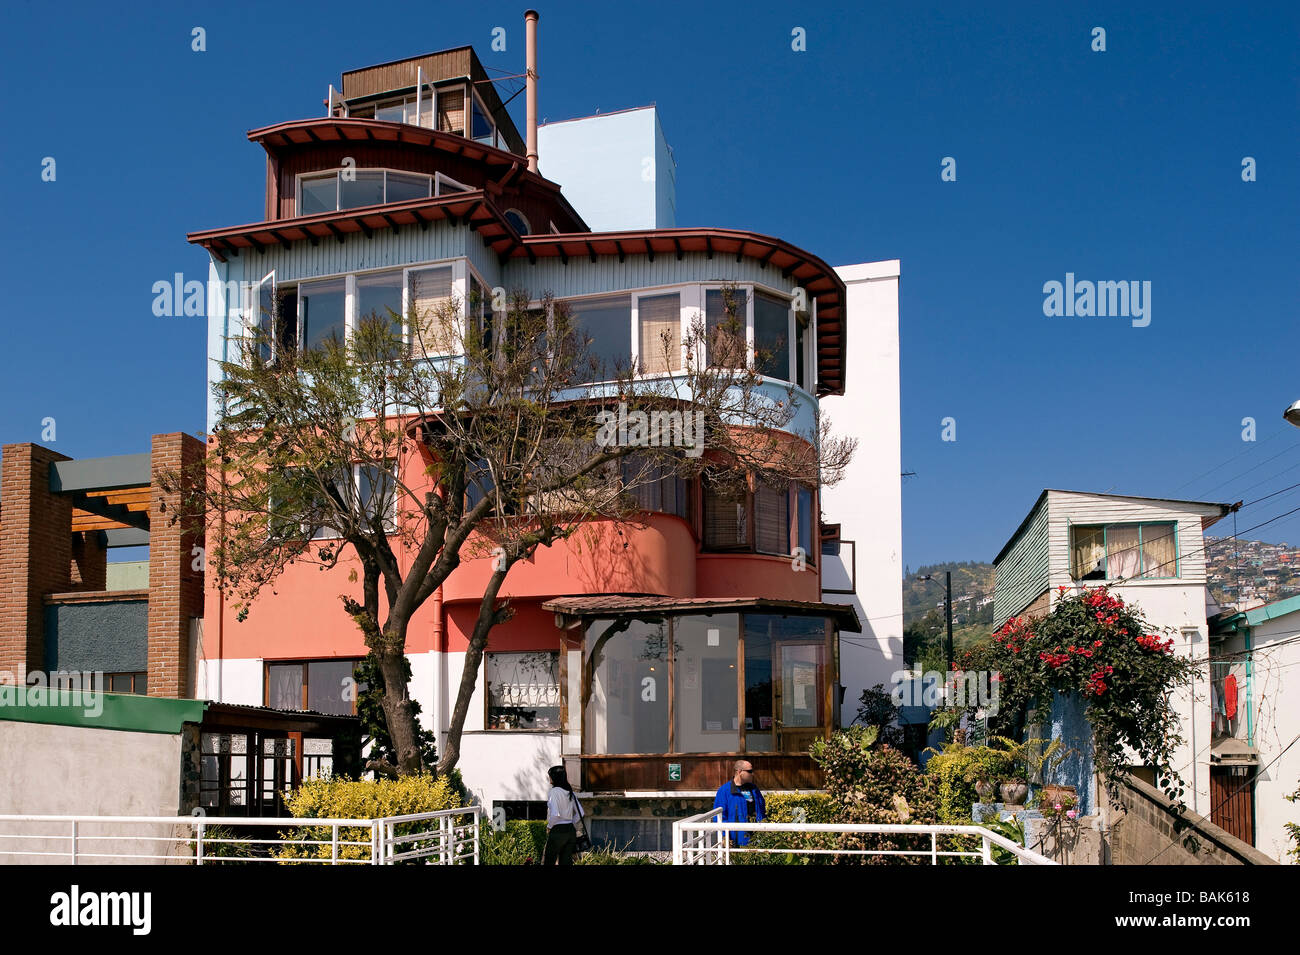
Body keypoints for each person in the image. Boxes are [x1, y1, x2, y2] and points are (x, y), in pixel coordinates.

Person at [713, 759, 765, 846]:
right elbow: (720, 817)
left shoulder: (754, 789)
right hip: (736, 842)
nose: (752, 774)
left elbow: (762, 809)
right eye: (749, 771)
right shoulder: (725, 791)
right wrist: (725, 837)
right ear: (740, 772)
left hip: (757, 839)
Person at [543, 764, 585, 865]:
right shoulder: (570, 792)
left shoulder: (553, 792)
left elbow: (555, 814)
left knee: (549, 860)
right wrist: (570, 822)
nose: (549, 778)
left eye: (550, 775)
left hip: (558, 831)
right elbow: (581, 812)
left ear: (554, 777)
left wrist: (549, 826)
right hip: (570, 831)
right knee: (565, 862)